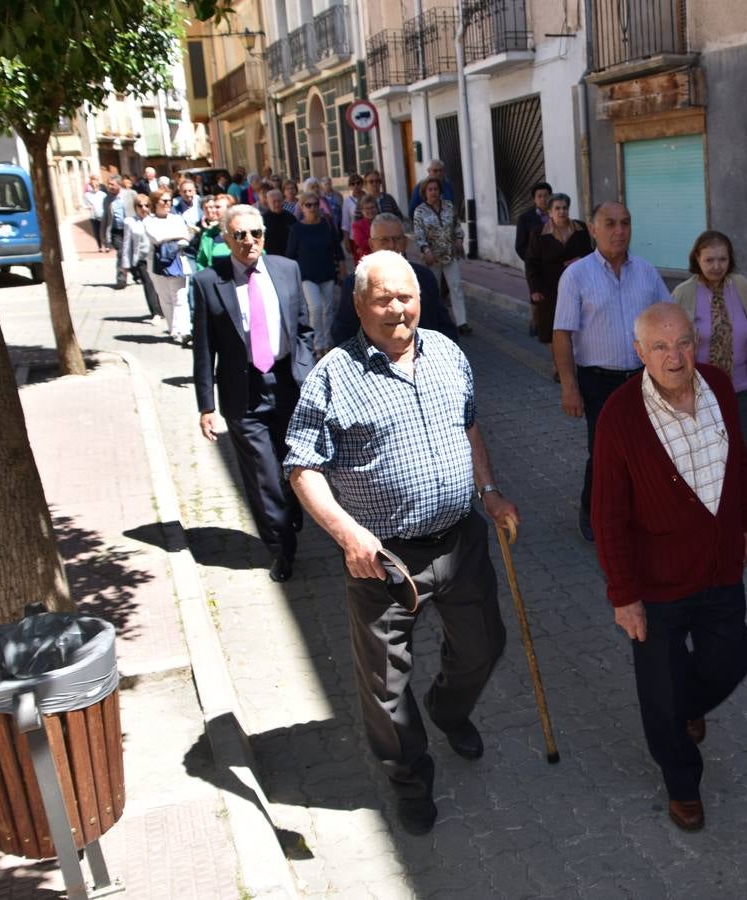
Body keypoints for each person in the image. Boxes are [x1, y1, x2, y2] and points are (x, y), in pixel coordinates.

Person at [285, 249, 516, 837]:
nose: (397, 308)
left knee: (486, 646)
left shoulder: (446, 353)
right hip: (381, 559)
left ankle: (448, 708)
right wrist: (347, 535)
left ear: (421, 298)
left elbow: (469, 425)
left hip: (460, 542)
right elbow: (302, 467)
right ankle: (410, 777)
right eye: (383, 298)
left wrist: (488, 490)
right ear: (358, 304)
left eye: (406, 295)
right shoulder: (333, 374)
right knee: (385, 690)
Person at [591, 302, 747, 832]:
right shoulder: (619, 414)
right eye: (659, 346)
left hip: (720, 566)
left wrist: (745, 521)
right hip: (655, 582)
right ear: (639, 353)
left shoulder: (719, 386)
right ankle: (682, 784)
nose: (674, 356)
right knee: (659, 689)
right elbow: (608, 512)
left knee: (733, 656)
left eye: (683, 342)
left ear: (697, 342)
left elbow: (740, 461)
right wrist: (623, 593)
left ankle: (685, 707)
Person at [193, 204, 316, 583]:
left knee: (291, 463)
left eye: (256, 233)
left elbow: (303, 329)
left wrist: (306, 371)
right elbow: (203, 347)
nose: (249, 241)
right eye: (240, 234)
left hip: (286, 385)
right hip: (242, 394)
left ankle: (291, 508)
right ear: (225, 238)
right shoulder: (207, 282)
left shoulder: (286, 270)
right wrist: (206, 406)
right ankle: (282, 549)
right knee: (262, 475)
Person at [553, 201, 671, 541]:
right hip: (597, 380)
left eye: (625, 223)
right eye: (610, 223)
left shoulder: (646, 272)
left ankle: (639, 511)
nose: (619, 231)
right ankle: (592, 510)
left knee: (647, 448)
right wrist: (568, 386)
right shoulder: (576, 276)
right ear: (592, 229)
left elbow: (666, 318)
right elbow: (562, 333)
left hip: (642, 378)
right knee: (604, 452)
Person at [672, 231, 747, 543]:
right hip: (699, 390)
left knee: (743, 453)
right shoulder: (683, 294)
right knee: (704, 454)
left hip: (739, 387)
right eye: (709, 260)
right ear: (697, 259)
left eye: (722, 259)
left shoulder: (741, 287)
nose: (717, 266)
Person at [330, 214, 457, 347]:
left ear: (405, 242)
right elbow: (343, 334)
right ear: (371, 244)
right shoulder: (355, 284)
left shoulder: (425, 277)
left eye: (397, 239)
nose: (391, 245)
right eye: (384, 240)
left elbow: (444, 326)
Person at [525, 193, 589, 367]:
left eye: (565, 208)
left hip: (578, 287)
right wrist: (534, 289)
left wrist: (579, 260)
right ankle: (560, 368)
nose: (562, 212)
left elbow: (590, 255)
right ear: (550, 212)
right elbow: (532, 262)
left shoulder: (580, 229)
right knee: (552, 330)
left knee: (577, 327)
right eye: (557, 208)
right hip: (549, 288)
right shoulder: (539, 233)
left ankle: (578, 363)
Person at [286, 191, 343, 355]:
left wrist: (341, 269)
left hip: (327, 272)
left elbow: (336, 248)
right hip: (307, 275)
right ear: (302, 207)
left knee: (328, 309)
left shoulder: (326, 224)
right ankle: (317, 344)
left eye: (315, 204)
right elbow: (290, 254)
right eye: (308, 205)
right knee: (316, 308)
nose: (312, 208)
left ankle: (328, 343)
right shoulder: (297, 229)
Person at [412, 177, 469, 334]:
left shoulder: (449, 206)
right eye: (430, 189)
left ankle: (462, 322)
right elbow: (419, 234)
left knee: (456, 286)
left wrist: (459, 240)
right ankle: (434, 322)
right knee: (433, 290)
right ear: (425, 192)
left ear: (440, 191)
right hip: (432, 257)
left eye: (436, 189)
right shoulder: (420, 211)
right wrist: (426, 251)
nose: (433, 192)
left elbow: (457, 227)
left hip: (450, 254)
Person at [142, 189, 195, 343]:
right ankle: (173, 330)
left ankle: (184, 331)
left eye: (169, 200)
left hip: (177, 261)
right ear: (155, 203)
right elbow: (156, 237)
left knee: (180, 297)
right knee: (165, 298)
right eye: (164, 201)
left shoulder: (176, 219)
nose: (168, 203)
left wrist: (172, 237)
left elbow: (185, 239)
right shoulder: (148, 221)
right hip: (157, 264)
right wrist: (176, 236)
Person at [119, 193, 164, 321]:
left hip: (156, 257)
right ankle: (156, 312)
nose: (144, 208)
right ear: (135, 207)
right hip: (141, 259)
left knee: (160, 285)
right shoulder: (130, 222)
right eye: (140, 206)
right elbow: (127, 243)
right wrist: (125, 265)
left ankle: (163, 309)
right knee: (149, 284)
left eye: (146, 205)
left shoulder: (156, 219)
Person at [516, 181, 552, 337]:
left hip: (553, 264)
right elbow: (520, 245)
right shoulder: (525, 218)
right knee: (536, 296)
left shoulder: (556, 214)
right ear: (534, 199)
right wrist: (531, 261)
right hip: (535, 265)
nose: (543, 199)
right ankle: (535, 323)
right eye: (540, 196)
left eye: (546, 196)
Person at [102, 180, 128, 286]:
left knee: (133, 253)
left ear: (119, 184)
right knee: (121, 252)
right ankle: (121, 278)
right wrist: (104, 235)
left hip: (129, 230)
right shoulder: (107, 199)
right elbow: (105, 217)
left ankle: (136, 273)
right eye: (108, 184)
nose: (109, 186)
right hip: (115, 231)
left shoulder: (130, 194)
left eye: (112, 184)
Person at [261, 189, 297, 257]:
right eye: (274, 202)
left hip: (289, 257)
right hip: (270, 257)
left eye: (279, 201)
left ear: (283, 201)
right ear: (268, 202)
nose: (277, 204)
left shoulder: (290, 217)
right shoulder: (262, 220)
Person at [350, 195, 380, 268]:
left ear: (377, 208)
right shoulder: (357, 226)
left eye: (372, 207)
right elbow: (362, 244)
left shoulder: (383, 222)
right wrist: (381, 241)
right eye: (366, 208)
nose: (370, 210)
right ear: (362, 211)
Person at [83, 175, 107, 251]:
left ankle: (106, 246)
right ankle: (99, 246)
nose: (94, 187)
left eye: (96, 186)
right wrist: (88, 207)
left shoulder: (103, 194)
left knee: (104, 231)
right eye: (92, 186)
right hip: (93, 216)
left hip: (102, 215)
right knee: (96, 232)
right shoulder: (87, 195)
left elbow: (107, 204)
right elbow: (83, 204)